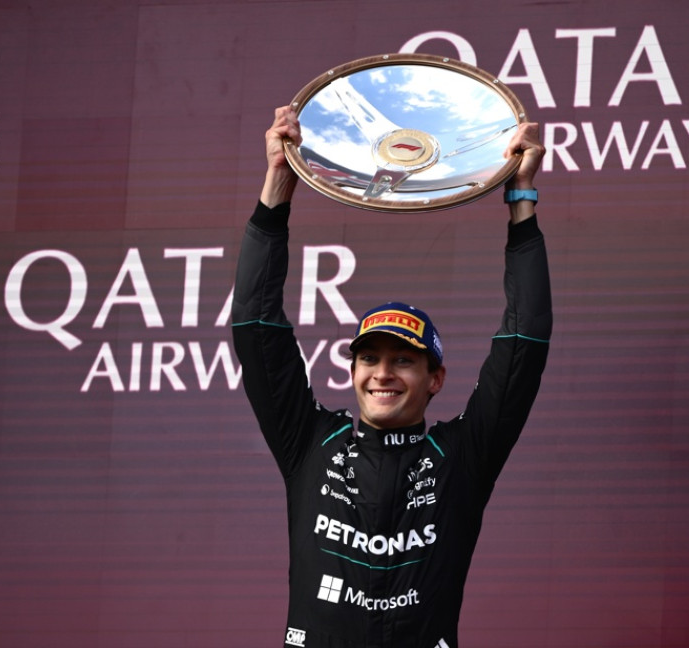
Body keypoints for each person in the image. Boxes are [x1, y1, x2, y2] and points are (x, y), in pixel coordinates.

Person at [232, 105, 552, 648]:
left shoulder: (462, 456)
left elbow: (523, 343)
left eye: (403, 360)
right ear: (353, 369)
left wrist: (521, 198)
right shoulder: (309, 442)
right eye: (369, 358)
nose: (383, 374)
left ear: (435, 379)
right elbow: (256, 326)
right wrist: (277, 189)